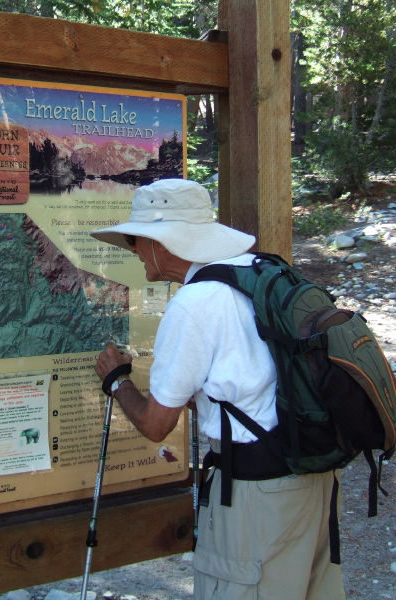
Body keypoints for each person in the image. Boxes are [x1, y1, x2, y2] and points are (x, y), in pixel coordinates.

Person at [90, 178, 345, 600]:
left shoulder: (193, 303)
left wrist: (117, 382)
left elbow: (156, 425)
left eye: (136, 239)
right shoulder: (260, 272)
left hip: (255, 495)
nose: (132, 250)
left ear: (162, 243)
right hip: (311, 477)